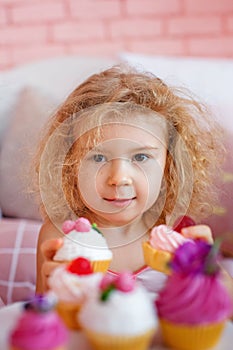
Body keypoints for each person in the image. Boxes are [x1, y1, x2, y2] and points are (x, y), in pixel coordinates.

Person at [32, 64, 232, 297]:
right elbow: (43, 315)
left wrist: (210, 277)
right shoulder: (61, 236)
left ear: (170, 165)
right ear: (69, 164)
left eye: (140, 157)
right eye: (98, 157)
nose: (118, 178)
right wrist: (51, 290)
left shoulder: (181, 234)